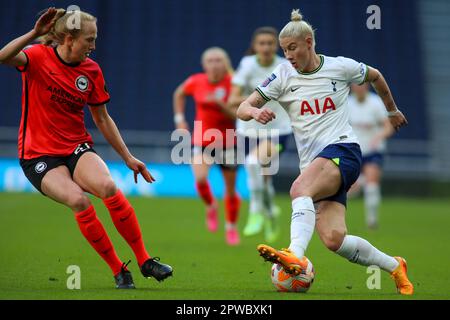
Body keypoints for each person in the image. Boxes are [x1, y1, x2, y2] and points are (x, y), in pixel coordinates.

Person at [237, 9, 413, 295]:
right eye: (284, 49)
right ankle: (394, 265)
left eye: (292, 48)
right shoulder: (282, 75)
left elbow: (376, 76)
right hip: (316, 164)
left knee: (298, 190)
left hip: (343, 149)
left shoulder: (340, 67)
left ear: (309, 42)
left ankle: (295, 254)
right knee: (334, 239)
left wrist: (391, 110)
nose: (288, 54)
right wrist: (255, 112)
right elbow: (243, 107)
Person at [0, 7, 173, 289]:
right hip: (37, 155)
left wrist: (128, 157)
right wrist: (34, 33)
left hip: (75, 147)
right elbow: (3, 56)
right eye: (89, 40)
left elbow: (102, 118)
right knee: (79, 201)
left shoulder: (91, 70)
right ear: (69, 39)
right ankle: (119, 270)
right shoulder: (36, 56)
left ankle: (144, 260)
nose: (93, 46)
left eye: (94, 40)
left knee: (107, 187)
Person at [229, 27, 292, 243]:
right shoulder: (247, 66)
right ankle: (272, 215)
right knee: (264, 179)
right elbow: (232, 99)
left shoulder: (284, 67)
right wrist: (258, 100)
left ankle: (255, 210)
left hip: (278, 131)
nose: (266, 47)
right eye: (261, 43)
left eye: (270, 43)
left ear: (277, 46)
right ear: (255, 46)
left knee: (254, 162)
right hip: (249, 130)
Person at [172, 47, 241, 245]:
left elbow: (238, 115)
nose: (214, 64)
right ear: (204, 64)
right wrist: (179, 120)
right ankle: (211, 206)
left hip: (228, 142)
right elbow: (178, 94)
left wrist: (221, 105)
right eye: (210, 60)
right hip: (202, 141)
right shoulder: (196, 81)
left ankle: (231, 228)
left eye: (218, 60)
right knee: (200, 178)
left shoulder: (234, 83)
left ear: (225, 63)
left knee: (230, 189)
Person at [348, 83, 394, 229]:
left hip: (373, 150)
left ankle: (372, 221)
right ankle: (360, 181)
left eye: (362, 85)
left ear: (367, 86)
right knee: (348, 190)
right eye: (356, 85)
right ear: (351, 87)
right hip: (354, 151)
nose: (359, 88)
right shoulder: (346, 103)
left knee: (372, 185)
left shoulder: (376, 103)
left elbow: (388, 126)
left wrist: (379, 136)